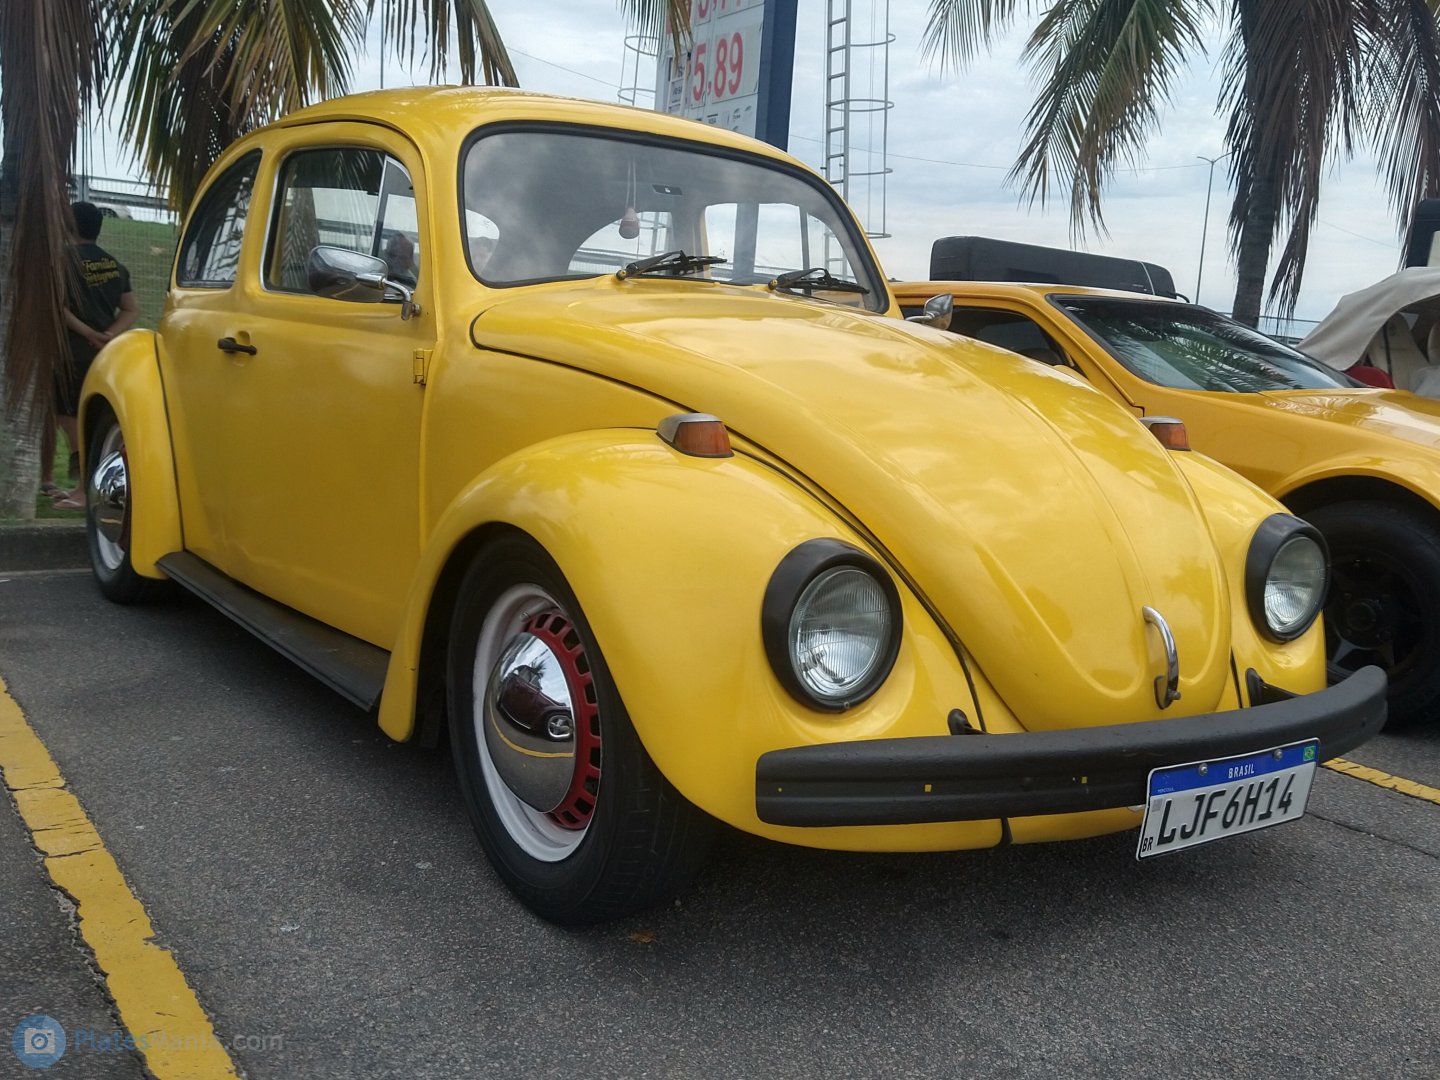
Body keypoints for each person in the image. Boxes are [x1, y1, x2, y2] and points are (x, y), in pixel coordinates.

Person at [49, 202, 137, 509]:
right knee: (86, 417)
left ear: (69, 226)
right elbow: (131, 309)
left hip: (72, 352)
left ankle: (84, 491)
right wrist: (108, 335)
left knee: (70, 418)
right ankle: (82, 487)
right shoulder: (114, 265)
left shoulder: (62, 261)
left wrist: (87, 333)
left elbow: (58, 307)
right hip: (102, 355)